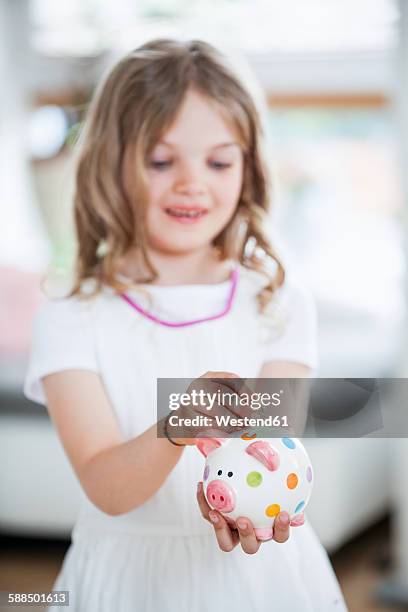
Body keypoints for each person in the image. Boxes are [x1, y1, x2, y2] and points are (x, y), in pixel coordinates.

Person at [24, 39, 347, 611]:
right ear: (111, 164)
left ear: (248, 169)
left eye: (219, 161)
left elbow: (272, 448)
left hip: (260, 580)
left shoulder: (279, 303)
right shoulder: (71, 315)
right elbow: (109, 488)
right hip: (127, 581)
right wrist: (180, 422)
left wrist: (252, 494)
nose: (192, 182)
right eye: (160, 160)